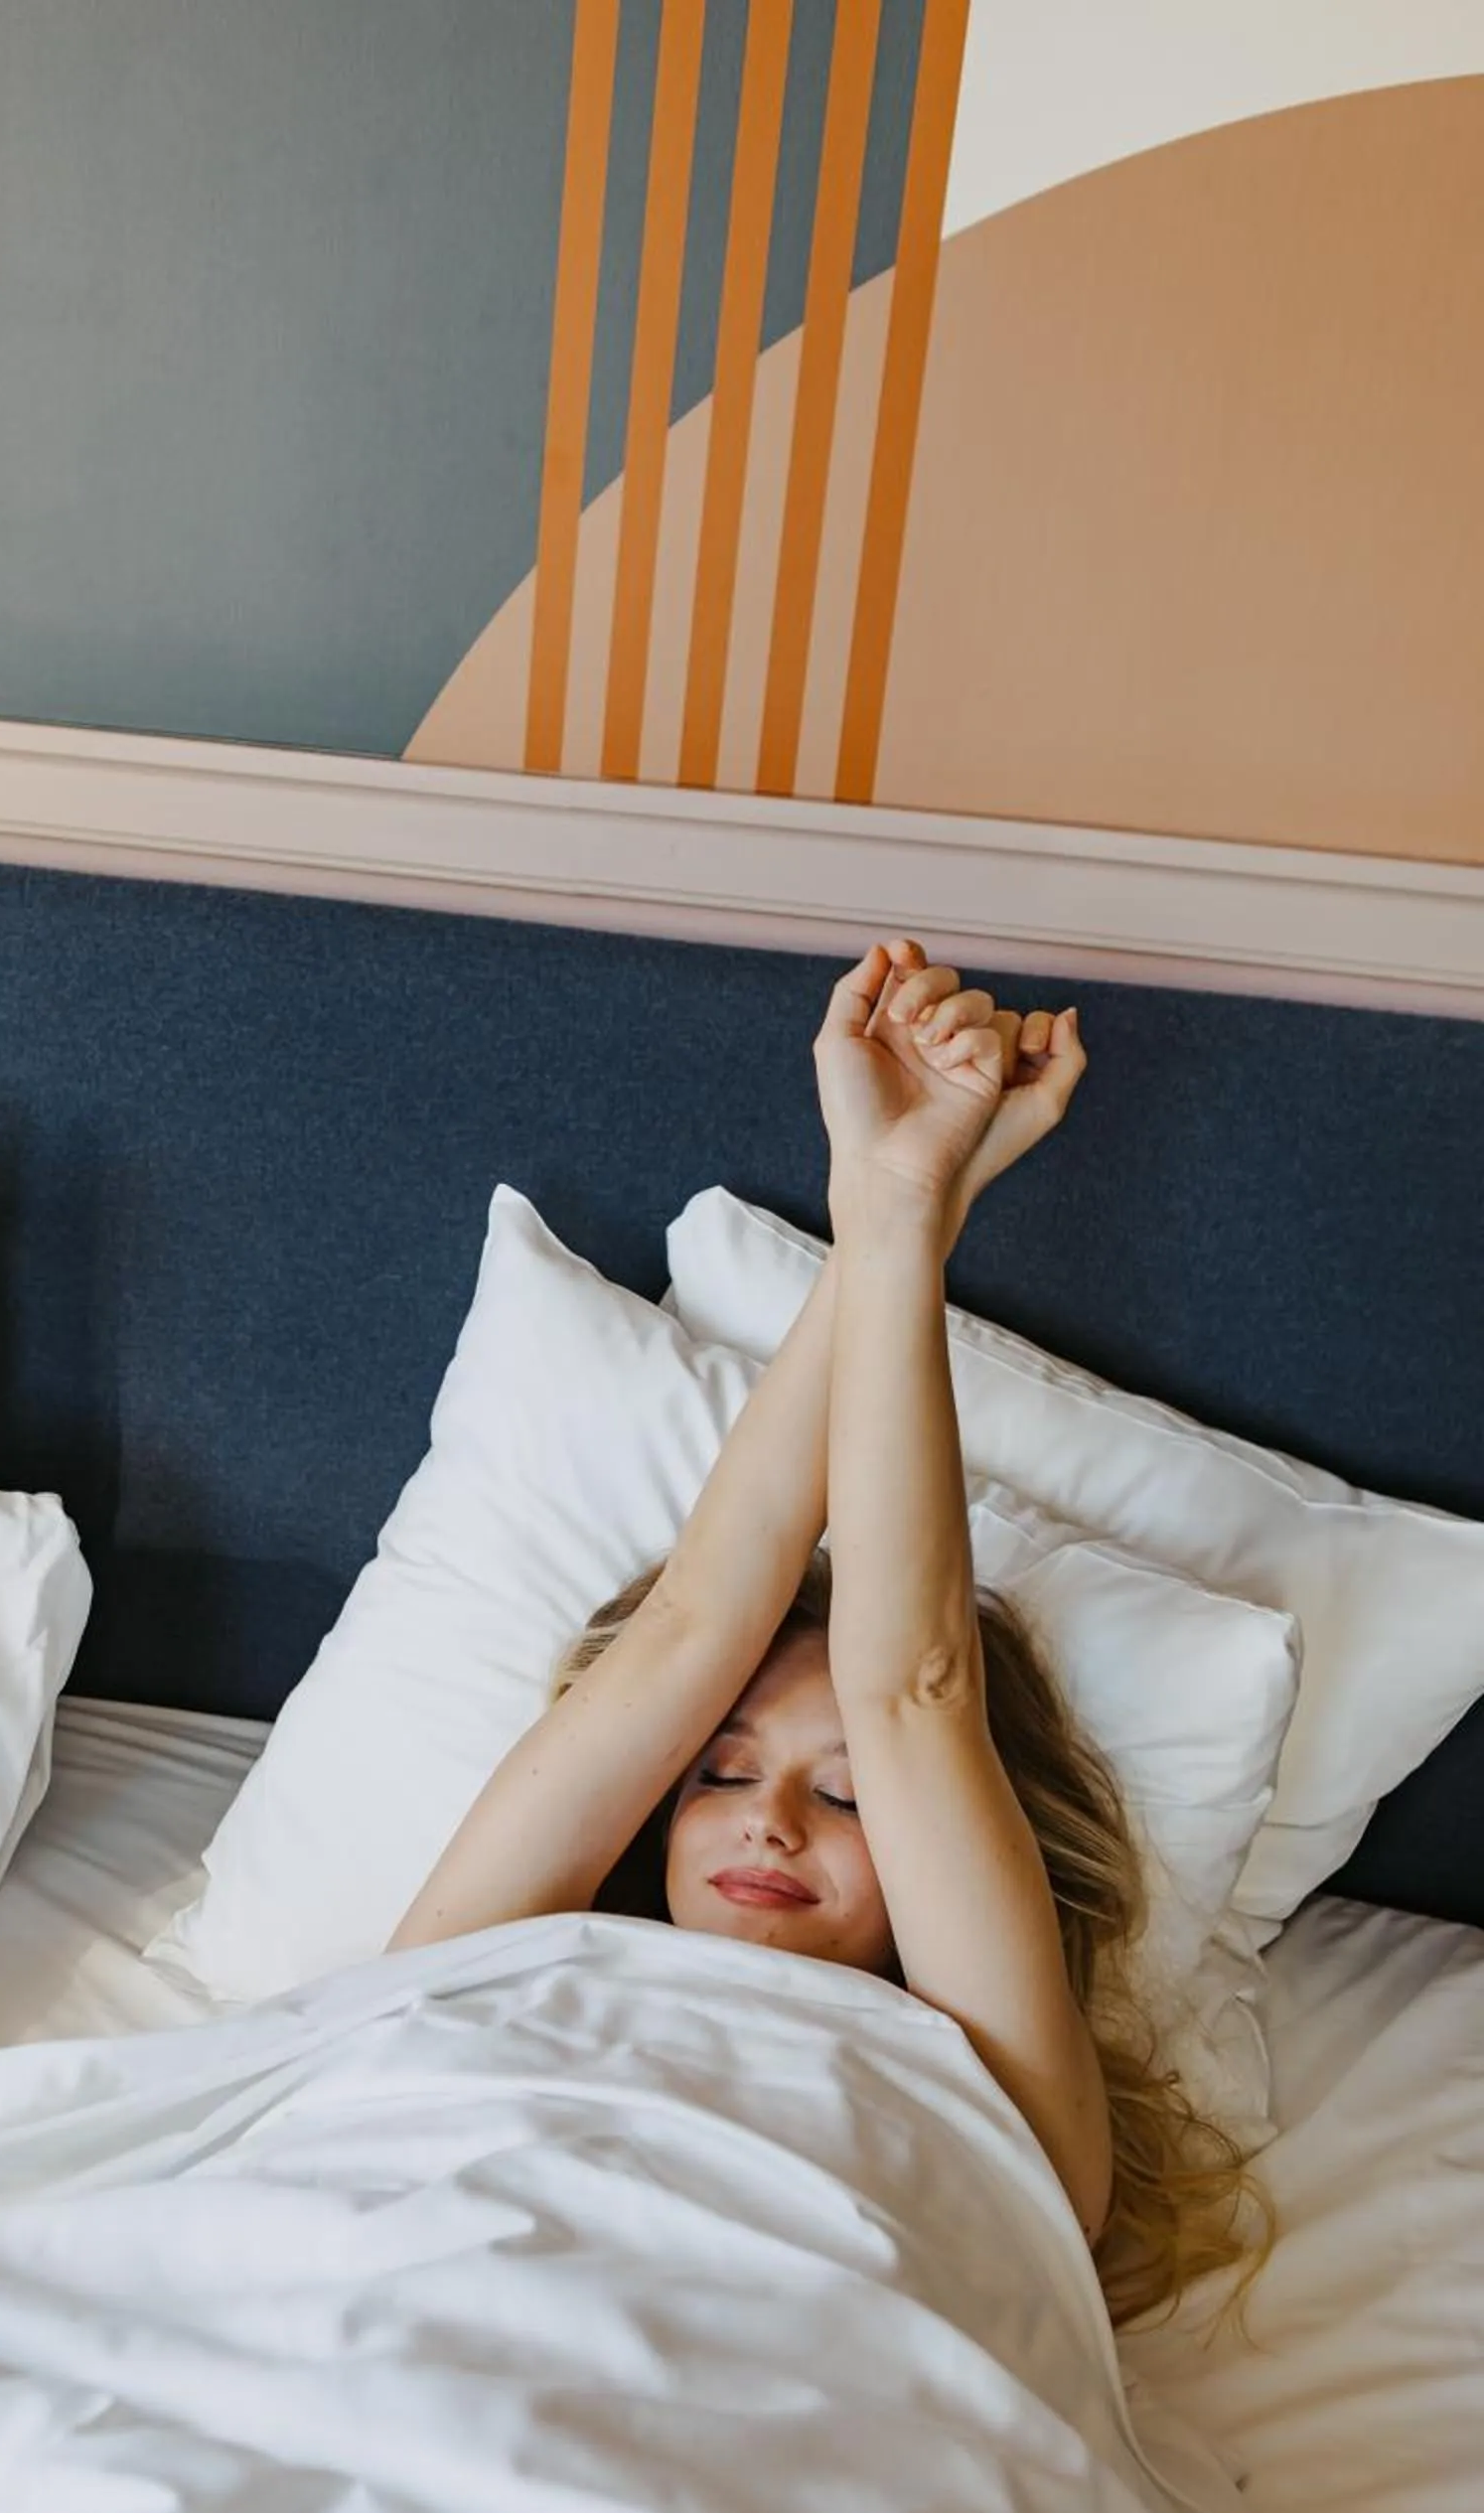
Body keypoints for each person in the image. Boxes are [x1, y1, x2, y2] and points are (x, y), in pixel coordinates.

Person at [393, 940, 1261, 2327]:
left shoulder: (999, 2092)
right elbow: (690, 1627)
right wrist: (893, 1206)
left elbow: (915, 1688)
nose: (767, 1823)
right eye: (720, 1773)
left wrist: (910, 1199)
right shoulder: (486, 1971)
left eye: (848, 1791)